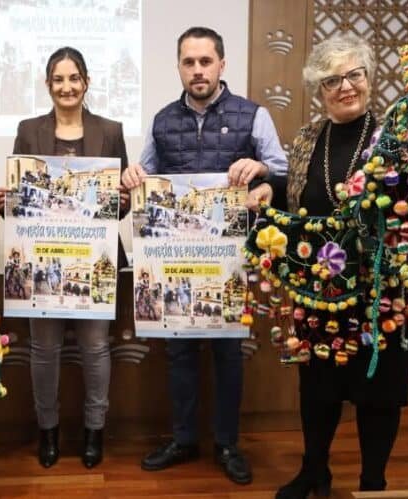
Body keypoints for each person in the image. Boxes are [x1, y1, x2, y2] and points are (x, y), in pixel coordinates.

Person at [248, 34, 408, 497]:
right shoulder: (307, 139)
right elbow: (295, 195)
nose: (345, 86)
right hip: (319, 289)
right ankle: (314, 472)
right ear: (318, 90)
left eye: (354, 75)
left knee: (378, 394)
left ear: (369, 77)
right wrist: (268, 191)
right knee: (318, 388)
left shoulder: (394, 142)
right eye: (332, 80)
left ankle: (373, 484)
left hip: (380, 293)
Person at [120, 26, 288, 485]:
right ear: (179, 66)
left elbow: (283, 172)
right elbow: (144, 178)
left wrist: (262, 169)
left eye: (205, 61)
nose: (197, 70)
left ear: (221, 65)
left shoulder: (253, 115)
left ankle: (228, 444)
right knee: (178, 354)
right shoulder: (161, 121)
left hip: (230, 263)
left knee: (229, 354)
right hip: (174, 262)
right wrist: (133, 177)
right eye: (189, 62)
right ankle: (184, 439)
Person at [0, 46, 129, 469]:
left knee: (95, 348)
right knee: (44, 349)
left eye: (74, 78)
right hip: (41, 258)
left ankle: (94, 431)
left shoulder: (110, 130)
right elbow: (22, 205)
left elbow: (119, 205)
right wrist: (6, 203)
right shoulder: (28, 130)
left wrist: (123, 200)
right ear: (48, 84)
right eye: (58, 79)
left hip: (95, 259)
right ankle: (47, 431)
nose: (66, 87)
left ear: (86, 82)